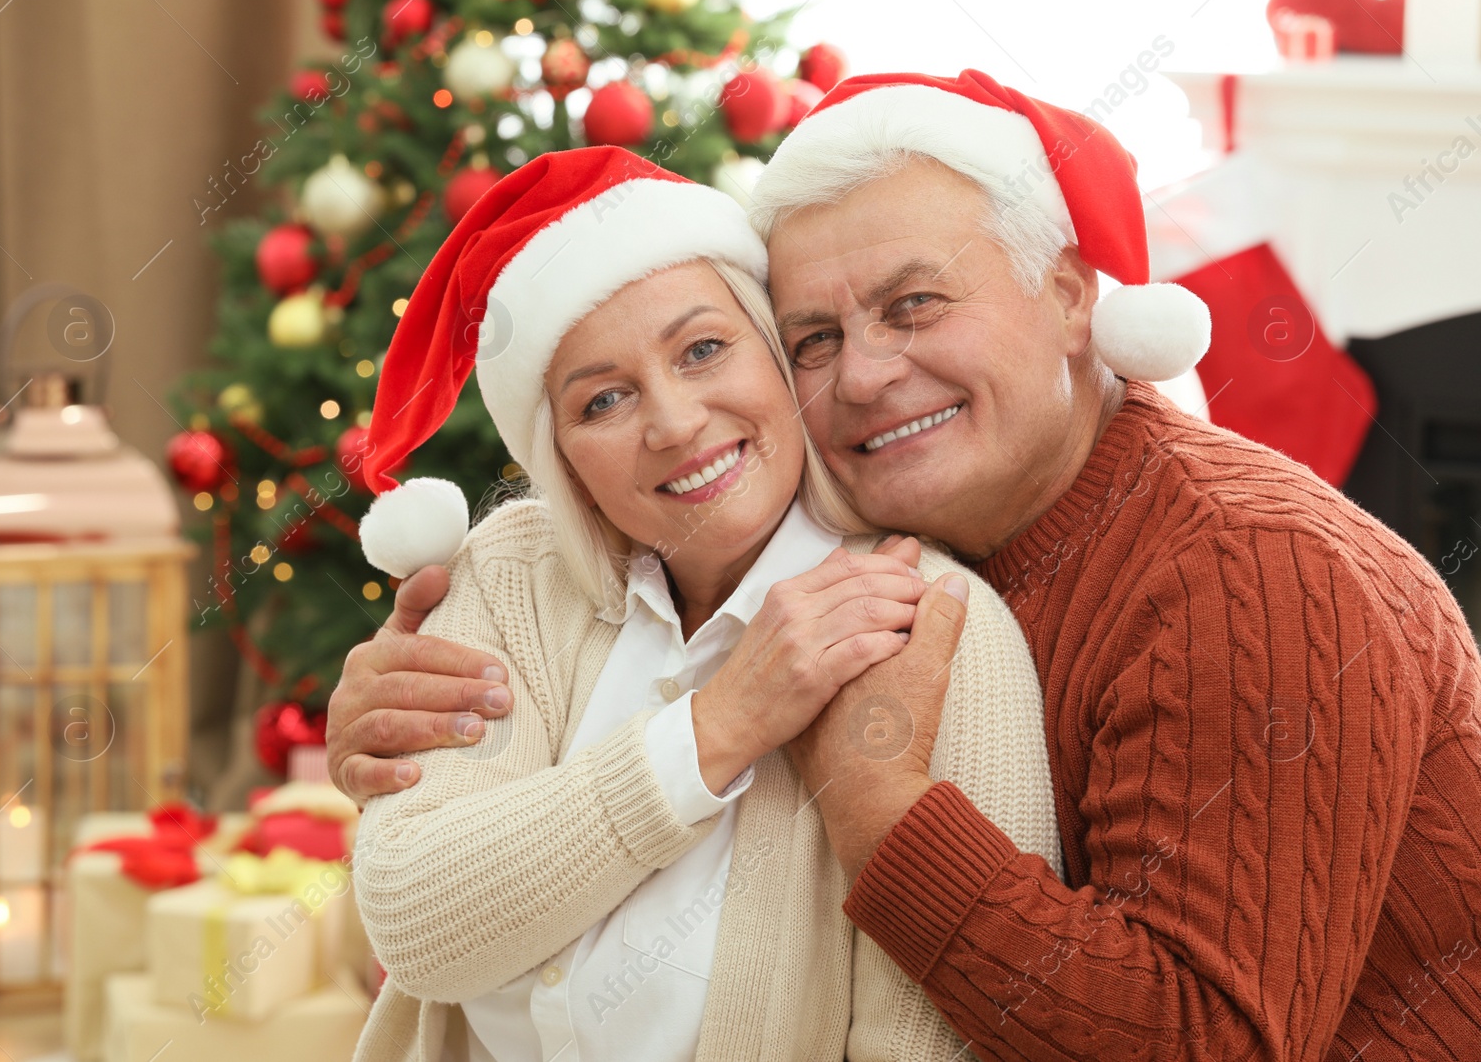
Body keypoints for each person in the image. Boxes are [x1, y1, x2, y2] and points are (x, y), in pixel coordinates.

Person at [331, 71, 1481, 1059]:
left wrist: (876, 800)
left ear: (1073, 298)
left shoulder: (1250, 571)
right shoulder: (924, 528)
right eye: (817, 339)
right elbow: (419, 913)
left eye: (915, 305)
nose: (868, 376)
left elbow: (1199, 1042)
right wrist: (396, 733)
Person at [344, 145, 1063, 1062]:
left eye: (704, 349)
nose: (675, 422)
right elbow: (417, 922)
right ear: (560, 456)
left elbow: (933, 1044)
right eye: (602, 400)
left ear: (777, 354)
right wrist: (717, 726)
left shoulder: (930, 625)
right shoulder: (513, 573)